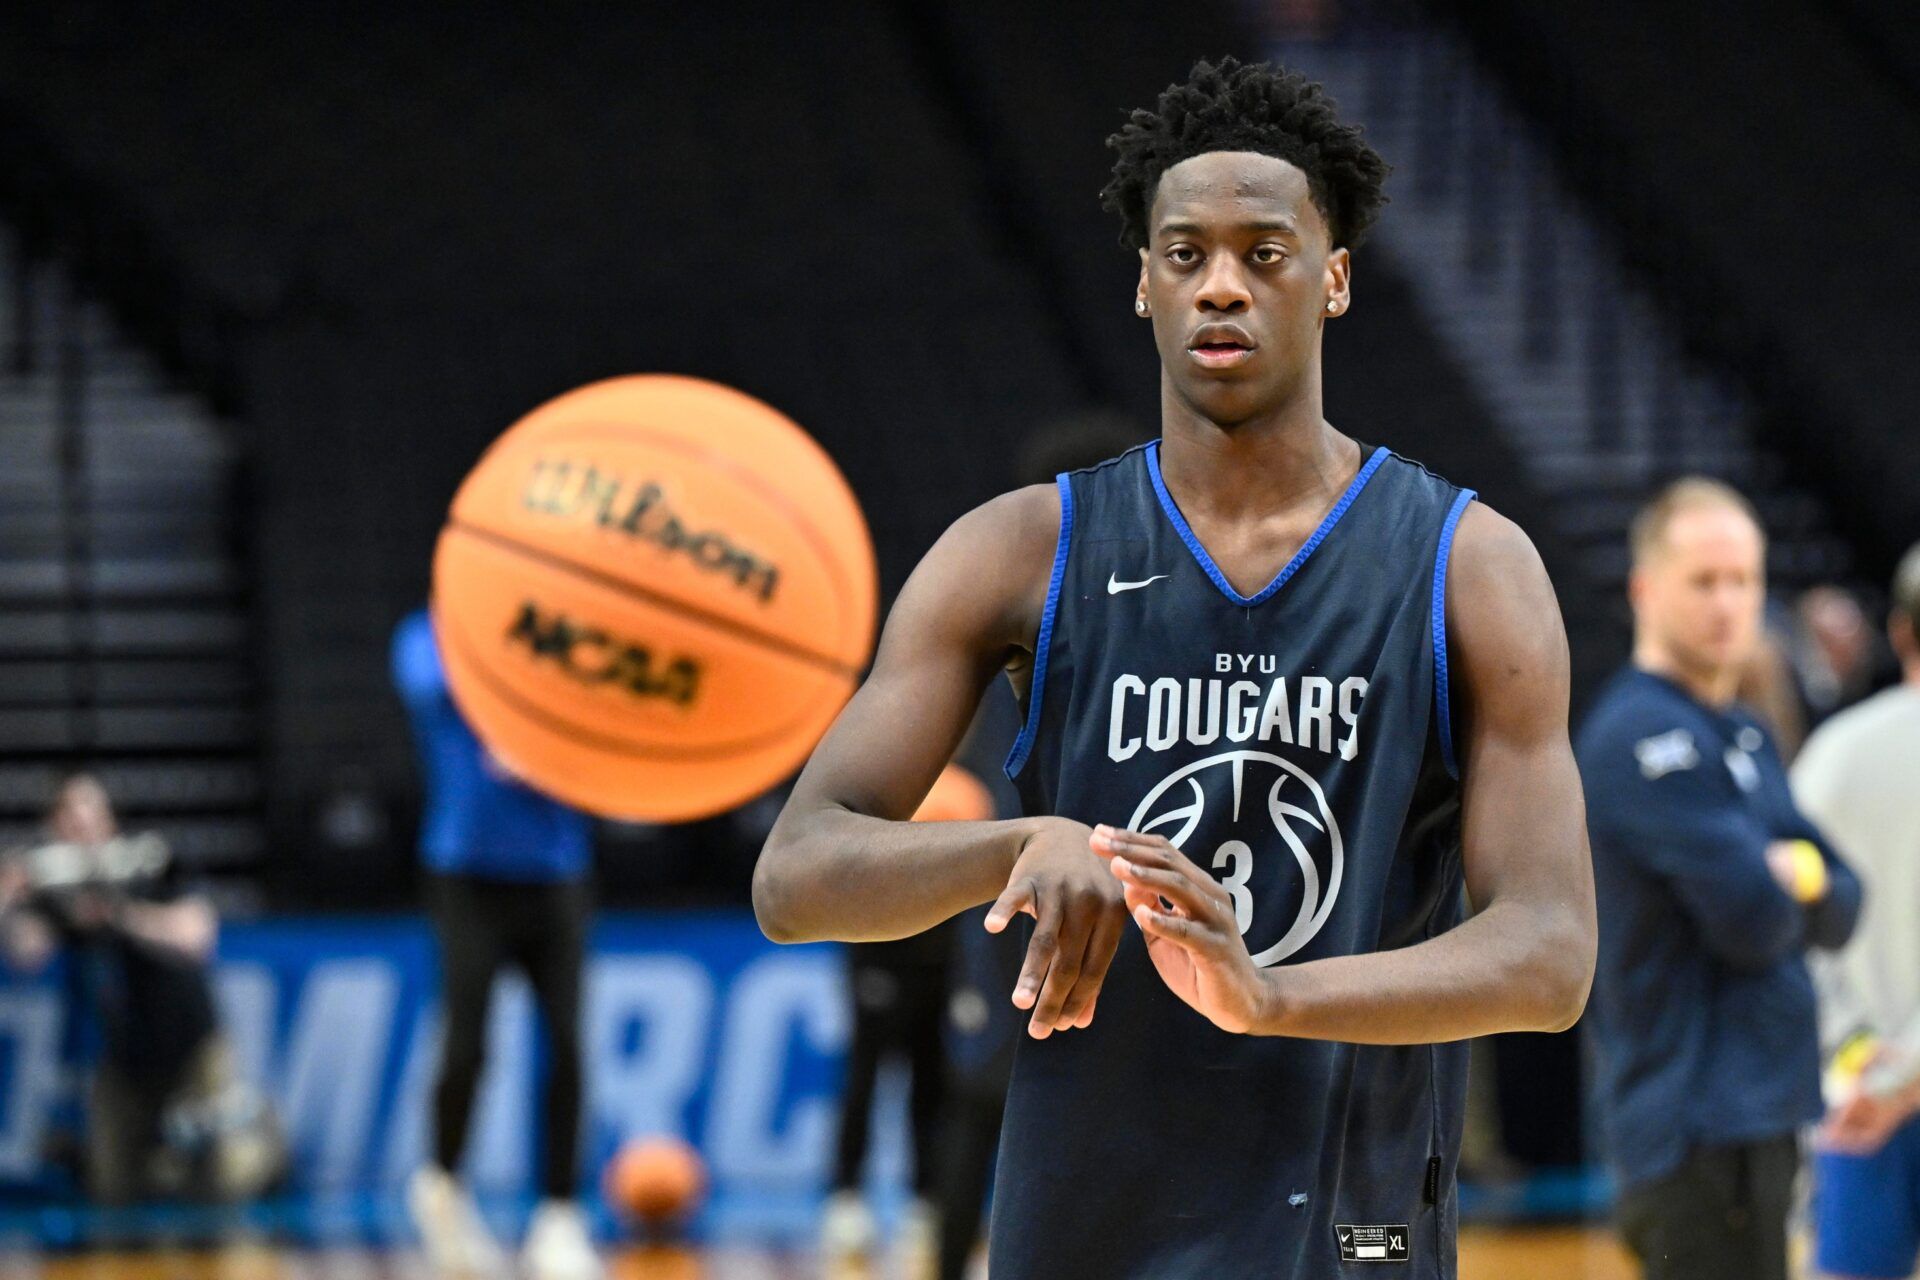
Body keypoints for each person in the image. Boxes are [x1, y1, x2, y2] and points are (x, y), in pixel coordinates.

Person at [755, 57, 1595, 1279]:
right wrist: (1018, 842)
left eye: (1266, 253)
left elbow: (1551, 952)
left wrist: (1272, 995)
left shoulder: (1468, 564)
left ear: (1335, 278)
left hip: (1347, 1223)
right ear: (1145, 283)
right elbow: (797, 872)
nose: (1222, 285)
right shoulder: (1018, 551)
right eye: (1186, 253)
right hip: (1088, 1224)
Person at [1577, 479, 1862, 1280]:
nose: (1728, 604)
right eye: (1704, 581)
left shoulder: (1743, 731)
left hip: (1761, 1116)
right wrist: (1791, 882)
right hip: (1692, 1129)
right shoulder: (1639, 735)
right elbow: (1752, 921)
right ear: (1645, 590)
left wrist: (1798, 873)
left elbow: (1846, 898)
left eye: (1743, 580)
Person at [392, 607, 600, 1280]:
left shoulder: (570, 634)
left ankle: (559, 1215)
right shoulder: (428, 635)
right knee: (466, 1041)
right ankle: (443, 1186)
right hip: (466, 873)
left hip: (556, 870)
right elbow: (432, 687)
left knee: (566, 1043)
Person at [0, 775, 281, 1203]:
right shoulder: (58, 889)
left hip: (190, 1046)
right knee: (115, 1184)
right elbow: (26, 954)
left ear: (109, 820)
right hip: (122, 1057)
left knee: (224, 1177)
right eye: (69, 818)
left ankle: (265, 1145)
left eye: (89, 815)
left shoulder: (148, 862)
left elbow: (196, 935)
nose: (81, 827)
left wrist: (119, 915)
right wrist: (10, 894)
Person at [1794, 542, 1920, 1280]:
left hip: (1858, 1093)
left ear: (1899, 631)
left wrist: (1863, 1065)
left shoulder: (1832, 754)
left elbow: (1788, 931)